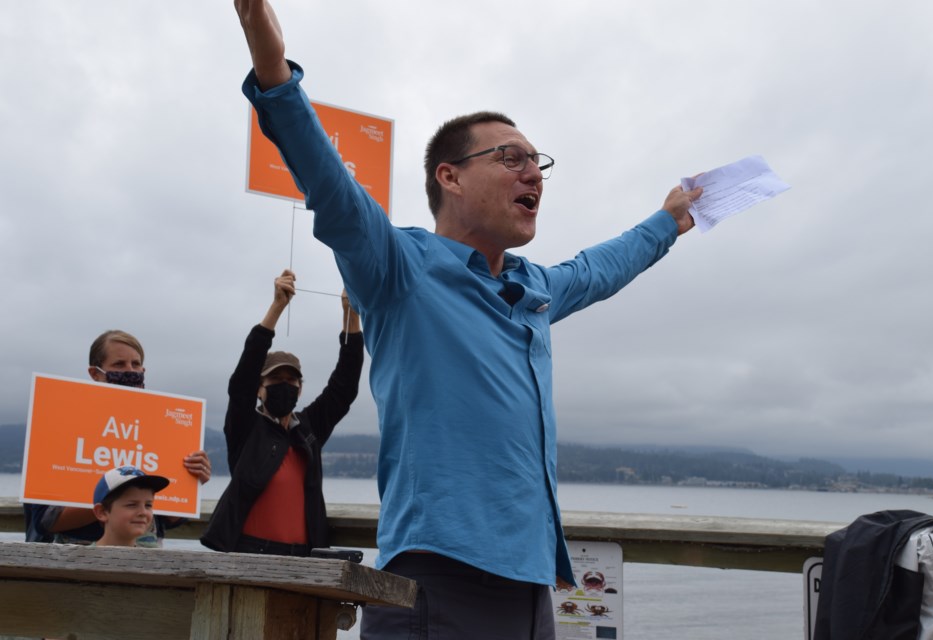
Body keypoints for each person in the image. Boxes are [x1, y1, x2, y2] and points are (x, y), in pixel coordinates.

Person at [234, 2, 702, 636]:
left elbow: (599, 268)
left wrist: (667, 222)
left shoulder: (531, 286)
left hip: (532, 578)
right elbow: (332, 189)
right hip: (440, 576)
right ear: (449, 176)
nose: (534, 172)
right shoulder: (400, 267)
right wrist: (271, 65)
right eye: (512, 158)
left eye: (540, 162)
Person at [200, 269, 364, 556]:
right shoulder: (244, 426)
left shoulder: (309, 428)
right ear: (259, 388)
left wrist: (351, 315)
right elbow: (242, 381)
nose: (285, 386)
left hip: (304, 556)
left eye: (292, 381)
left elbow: (344, 386)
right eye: (276, 380)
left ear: (300, 389)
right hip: (248, 553)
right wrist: (277, 307)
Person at [25, 330, 212, 546]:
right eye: (119, 364)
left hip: (147, 558)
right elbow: (45, 520)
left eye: (135, 364)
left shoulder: (163, 425)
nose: (130, 371)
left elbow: (170, 519)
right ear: (95, 373)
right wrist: (115, 501)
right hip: (75, 557)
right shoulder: (62, 423)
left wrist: (190, 483)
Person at [91, 465, 170, 548]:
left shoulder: (156, 558)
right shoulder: (81, 558)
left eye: (148, 505)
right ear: (102, 512)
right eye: (132, 505)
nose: (143, 512)